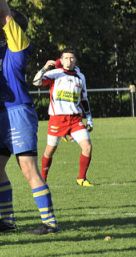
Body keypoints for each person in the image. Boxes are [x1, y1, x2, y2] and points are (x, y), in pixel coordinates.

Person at [0, 9, 60, 236]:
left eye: (0, 21)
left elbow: (5, 16)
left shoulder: (18, 46)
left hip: (18, 112)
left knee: (28, 169)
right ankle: (7, 220)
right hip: (0, 114)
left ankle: (50, 223)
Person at [32, 49, 94, 186]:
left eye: (71, 58)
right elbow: (36, 82)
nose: (69, 60)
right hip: (57, 119)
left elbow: (84, 99)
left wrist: (89, 117)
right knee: (50, 150)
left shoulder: (80, 76)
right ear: (61, 60)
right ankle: (42, 179)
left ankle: (81, 179)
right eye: (66, 58)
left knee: (87, 147)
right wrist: (45, 67)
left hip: (75, 119)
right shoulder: (55, 74)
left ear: (75, 60)